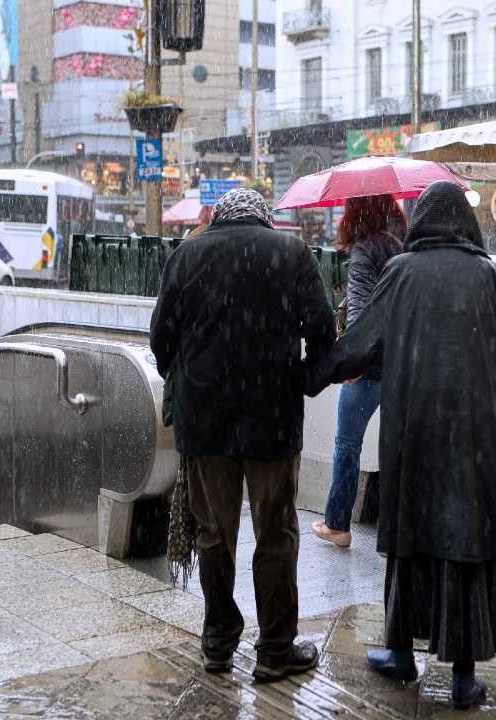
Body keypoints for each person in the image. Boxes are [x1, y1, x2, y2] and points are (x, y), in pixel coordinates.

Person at [308, 181, 496, 710]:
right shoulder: (492, 277)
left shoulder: (400, 273)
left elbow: (359, 343)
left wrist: (310, 374)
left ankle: (400, 649)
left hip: (414, 435)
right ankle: (463, 676)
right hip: (475, 439)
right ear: (467, 222)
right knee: (465, 544)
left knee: (411, 538)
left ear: (421, 223)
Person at [149, 188, 335, 683]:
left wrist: (190, 382)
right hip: (271, 420)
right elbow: (322, 330)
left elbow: (160, 339)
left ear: (219, 217)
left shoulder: (188, 253)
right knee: (276, 534)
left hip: (205, 423)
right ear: (263, 218)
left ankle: (218, 643)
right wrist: (301, 379)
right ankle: (274, 649)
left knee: (214, 535)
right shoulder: (291, 253)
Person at [312, 195, 406, 549]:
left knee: (347, 444)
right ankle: (396, 534)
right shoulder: (406, 243)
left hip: (369, 369)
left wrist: (352, 362)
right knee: (400, 448)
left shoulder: (367, 248)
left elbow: (360, 313)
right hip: (403, 365)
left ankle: (338, 525)